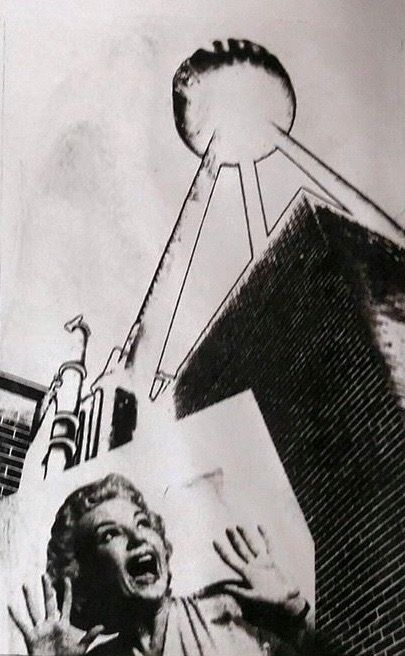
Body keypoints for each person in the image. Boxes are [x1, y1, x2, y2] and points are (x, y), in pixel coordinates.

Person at [8, 474, 339, 655]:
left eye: (142, 523)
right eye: (109, 534)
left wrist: (296, 613)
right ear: (85, 574)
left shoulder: (229, 610)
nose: (138, 537)